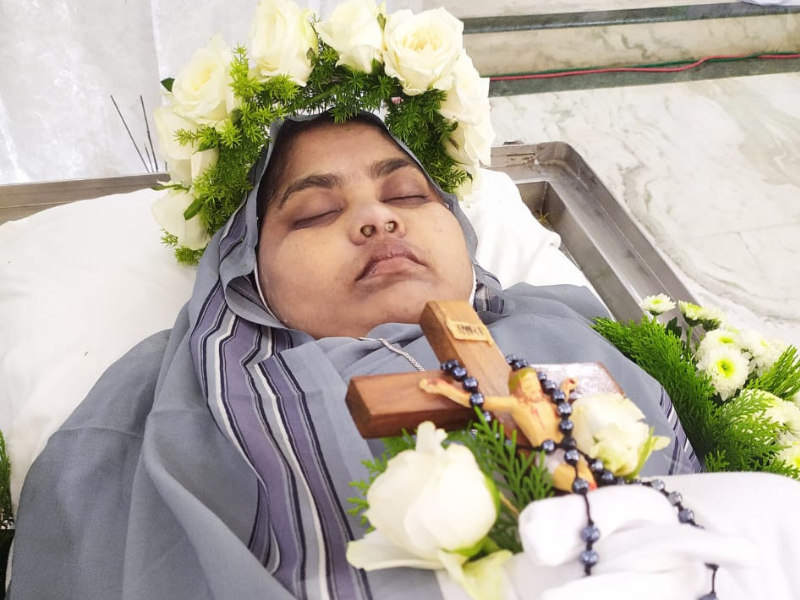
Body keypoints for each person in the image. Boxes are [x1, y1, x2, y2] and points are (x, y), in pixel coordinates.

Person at [8, 112, 700, 599]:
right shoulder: (168, 404)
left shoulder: (572, 327)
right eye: (315, 212)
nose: (377, 217)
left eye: (407, 194)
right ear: (248, 272)